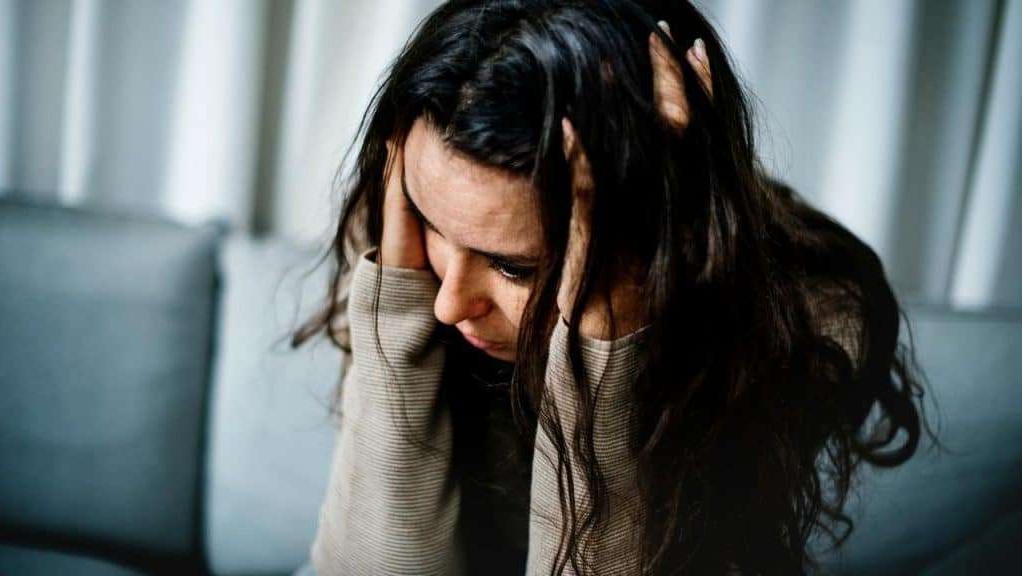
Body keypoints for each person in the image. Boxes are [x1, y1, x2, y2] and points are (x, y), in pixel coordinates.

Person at [293, 1, 931, 574]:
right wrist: (391, 340)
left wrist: (608, 341)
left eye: (515, 267)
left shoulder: (811, 314)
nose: (447, 302)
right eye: (431, 223)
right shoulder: (406, 259)